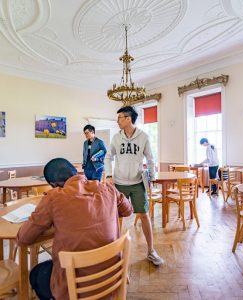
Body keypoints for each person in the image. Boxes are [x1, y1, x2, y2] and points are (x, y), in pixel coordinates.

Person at [16, 158, 133, 300]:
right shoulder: (108, 188)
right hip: (112, 280)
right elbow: (128, 210)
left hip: (75, 291)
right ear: (77, 172)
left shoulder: (54, 197)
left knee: (36, 273)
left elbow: (23, 239)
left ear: (54, 185)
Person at [105, 106, 164, 266]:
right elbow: (108, 157)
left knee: (144, 215)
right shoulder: (116, 138)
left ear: (128, 118)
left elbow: (151, 159)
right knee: (116, 218)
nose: (117, 121)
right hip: (119, 184)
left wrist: (151, 177)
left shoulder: (143, 136)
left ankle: (151, 251)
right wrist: (110, 176)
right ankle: (114, 252)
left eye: (119, 118)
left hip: (138, 183)